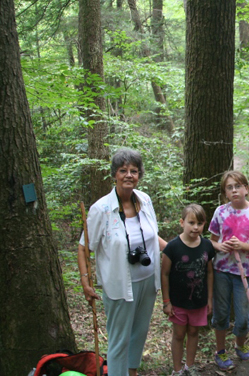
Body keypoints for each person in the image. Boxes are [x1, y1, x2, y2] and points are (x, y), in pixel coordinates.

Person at [77, 148, 167, 376]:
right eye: (123, 170)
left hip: (147, 281)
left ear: (139, 174)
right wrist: (86, 282)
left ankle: (132, 370)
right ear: (114, 174)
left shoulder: (144, 200)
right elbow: (84, 247)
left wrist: (178, 250)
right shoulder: (101, 209)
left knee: (139, 332)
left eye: (134, 171)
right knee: (119, 339)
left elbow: (152, 236)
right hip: (119, 285)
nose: (129, 175)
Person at [208, 171, 249, 371]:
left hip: (245, 272)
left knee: (244, 316)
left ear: (246, 188)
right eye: (229, 187)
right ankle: (220, 351)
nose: (234, 190)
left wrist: (243, 245)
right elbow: (212, 241)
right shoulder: (220, 212)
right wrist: (221, 246)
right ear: (225, 192)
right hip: (221, 271)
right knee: (221, 313)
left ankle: (240, 345)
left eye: (238, 185)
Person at [161, 204, 215, 376]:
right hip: (177, 302)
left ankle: (189, 367)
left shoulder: (207, 246)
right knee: (178, 334)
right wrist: (166, 301)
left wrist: (209, 299)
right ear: (182, 222)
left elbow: (209, 272)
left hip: (199, 301)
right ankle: (177, 370)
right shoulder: (172, 247)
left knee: (193, 332)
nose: (196, 227)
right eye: (191, 222)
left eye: (200, 223)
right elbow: (165, 274)